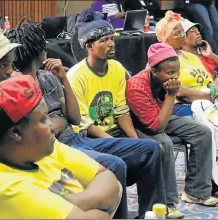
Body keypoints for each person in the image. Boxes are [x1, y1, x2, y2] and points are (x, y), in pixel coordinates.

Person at [6, 21, 170, 218]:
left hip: (77, 139)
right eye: (43, 43)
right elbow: (46, 129)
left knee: (149, 149)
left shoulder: (48, 77)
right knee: (115, 164)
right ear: (37, 48)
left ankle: (151, 213)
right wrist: (61, 120)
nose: (47, 46)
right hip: (58, 148)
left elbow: (74, 118)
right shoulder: (17, 86)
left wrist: (63, 79)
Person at [0, 75, 122, 219]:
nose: (53, 125)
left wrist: (78, 201)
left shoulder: (34, 149)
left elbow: (106, 177)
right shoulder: (6, 188)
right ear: (16, 133)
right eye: (43, 119)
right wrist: (100, 204)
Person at [66, 9, 170, 218]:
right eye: (104, 40)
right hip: (90, 138)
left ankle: (151, 212)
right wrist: (118, 142)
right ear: (88, 46)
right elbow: (84, 123)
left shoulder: (116, 68)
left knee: (152, 148)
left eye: (112, 39)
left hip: (115, 132)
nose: (112, 44)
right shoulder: (76, 75)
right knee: (121, 160)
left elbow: (121, 110)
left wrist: (134, 140)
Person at [156, 11, 218, 200]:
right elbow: (178, 91)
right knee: (213, 127)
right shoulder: (163, 58)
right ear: (165, 37)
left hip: (206, 101)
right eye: (178, 31)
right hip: (178, 106)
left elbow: (211, 81)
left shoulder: (191, 57)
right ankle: (215, 184)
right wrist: (206, 96)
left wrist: (213, 90)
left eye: (182, 31)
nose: (182, 35)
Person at [126, 43, 218, 207]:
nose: (175, 76)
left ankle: (196, 192)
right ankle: (168, 203)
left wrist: (171, 93)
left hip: (161, 115)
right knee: (164, 143)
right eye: (170, 73)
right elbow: (156, 127)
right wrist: (172, 95)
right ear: (154, 71)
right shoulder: (136, 87)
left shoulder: (166, 79)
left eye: (177, 71)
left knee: (202, 132)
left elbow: (163, 115)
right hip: (139, 125)